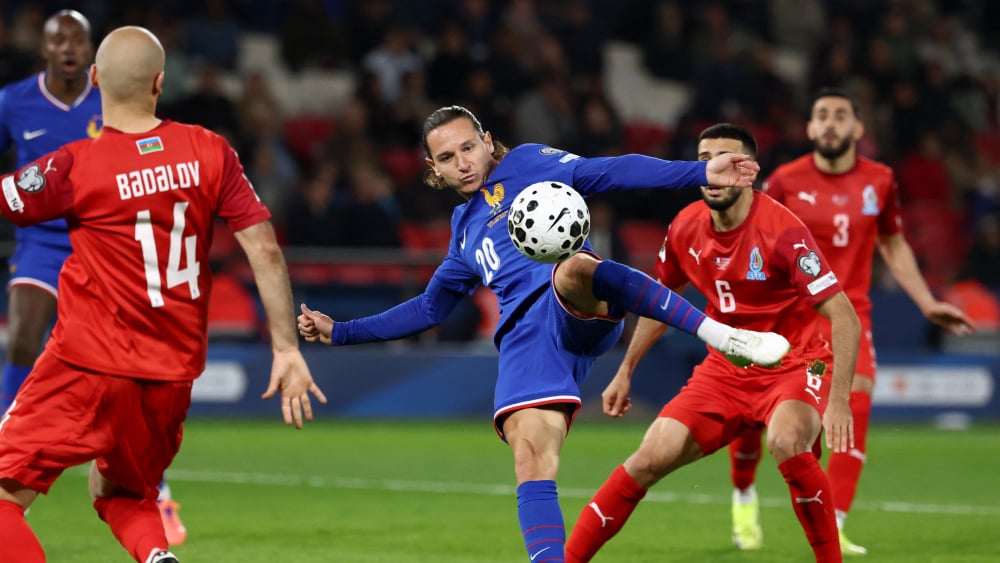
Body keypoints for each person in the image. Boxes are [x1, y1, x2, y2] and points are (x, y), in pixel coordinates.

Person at [297, 105, 790, 562]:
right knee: (531, 459)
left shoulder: (533, 162)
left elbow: (611, 171)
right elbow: (429, 308)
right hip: (525, 341)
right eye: (448, 158)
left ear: (488, 142)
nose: (463, 163)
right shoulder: (463, 233)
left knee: (572, 266)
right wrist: (340, 331)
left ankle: (721, 334)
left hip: (574, 301)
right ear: (434, 168)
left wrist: (698, 171)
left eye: (469, 148)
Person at [0, 26, 326, 563]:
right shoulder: (209, 151)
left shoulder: (76, 165)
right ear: (159, 83)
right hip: (169, 376)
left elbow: (15, 199)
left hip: (85, 365)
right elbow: (264, 250)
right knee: (122, 493)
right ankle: (158, 558)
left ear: (96, 78)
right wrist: (287, 348)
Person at [564, 123, 861, 563]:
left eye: (728, 159)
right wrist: (625, 371)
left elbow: (845, 317)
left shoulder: (784, 232)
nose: (714, 169)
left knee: (784, 440)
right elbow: (659, 301)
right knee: (649, 455)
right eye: (704, 160)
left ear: (750, 172)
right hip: (725, 370)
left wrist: (838, 401)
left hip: (798, 363)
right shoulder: (685, 227)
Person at [726, 87, 974, 555]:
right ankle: (743, 493)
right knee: (751, 418)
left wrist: (925, 302)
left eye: (841, 115)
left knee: (854, 403)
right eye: (822, 115)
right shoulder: (783, 180)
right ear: (810, 129)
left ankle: (834, 521)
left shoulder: (879, 181)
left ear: (859, 129)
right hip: (784, 313)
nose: (831, 123)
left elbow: (894, 246)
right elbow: (750, 238)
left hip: (848, 313)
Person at [0, 10, 190, 545]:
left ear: (91, 53)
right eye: (58, 40)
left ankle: (157, 487)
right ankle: (10, 446)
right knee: (21, 337)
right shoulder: (13, 101)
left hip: (104, 245)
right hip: (42, 243)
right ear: (43, 49)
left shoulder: (113, 98)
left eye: (78, 40)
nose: (68, 48)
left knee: (128, 371)